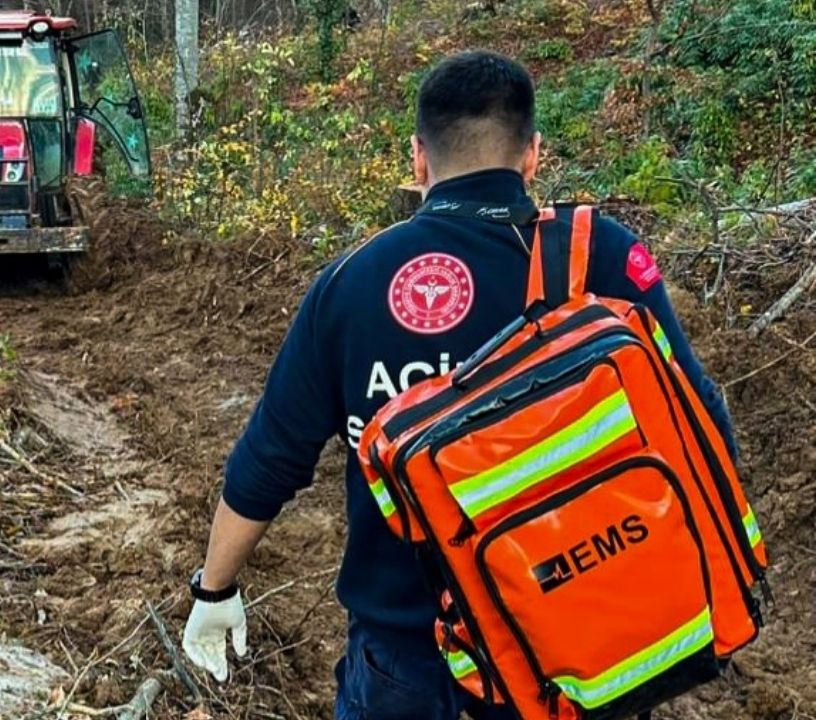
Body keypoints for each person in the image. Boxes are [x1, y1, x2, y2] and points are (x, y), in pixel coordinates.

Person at [180, 50, 738, 720]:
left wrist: (215, 591)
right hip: (581, 641)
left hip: (408, 662)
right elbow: (701, 418)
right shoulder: (601, 256)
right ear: (532, 155)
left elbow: (269, 461)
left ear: (418, 161)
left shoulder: (349, 285)